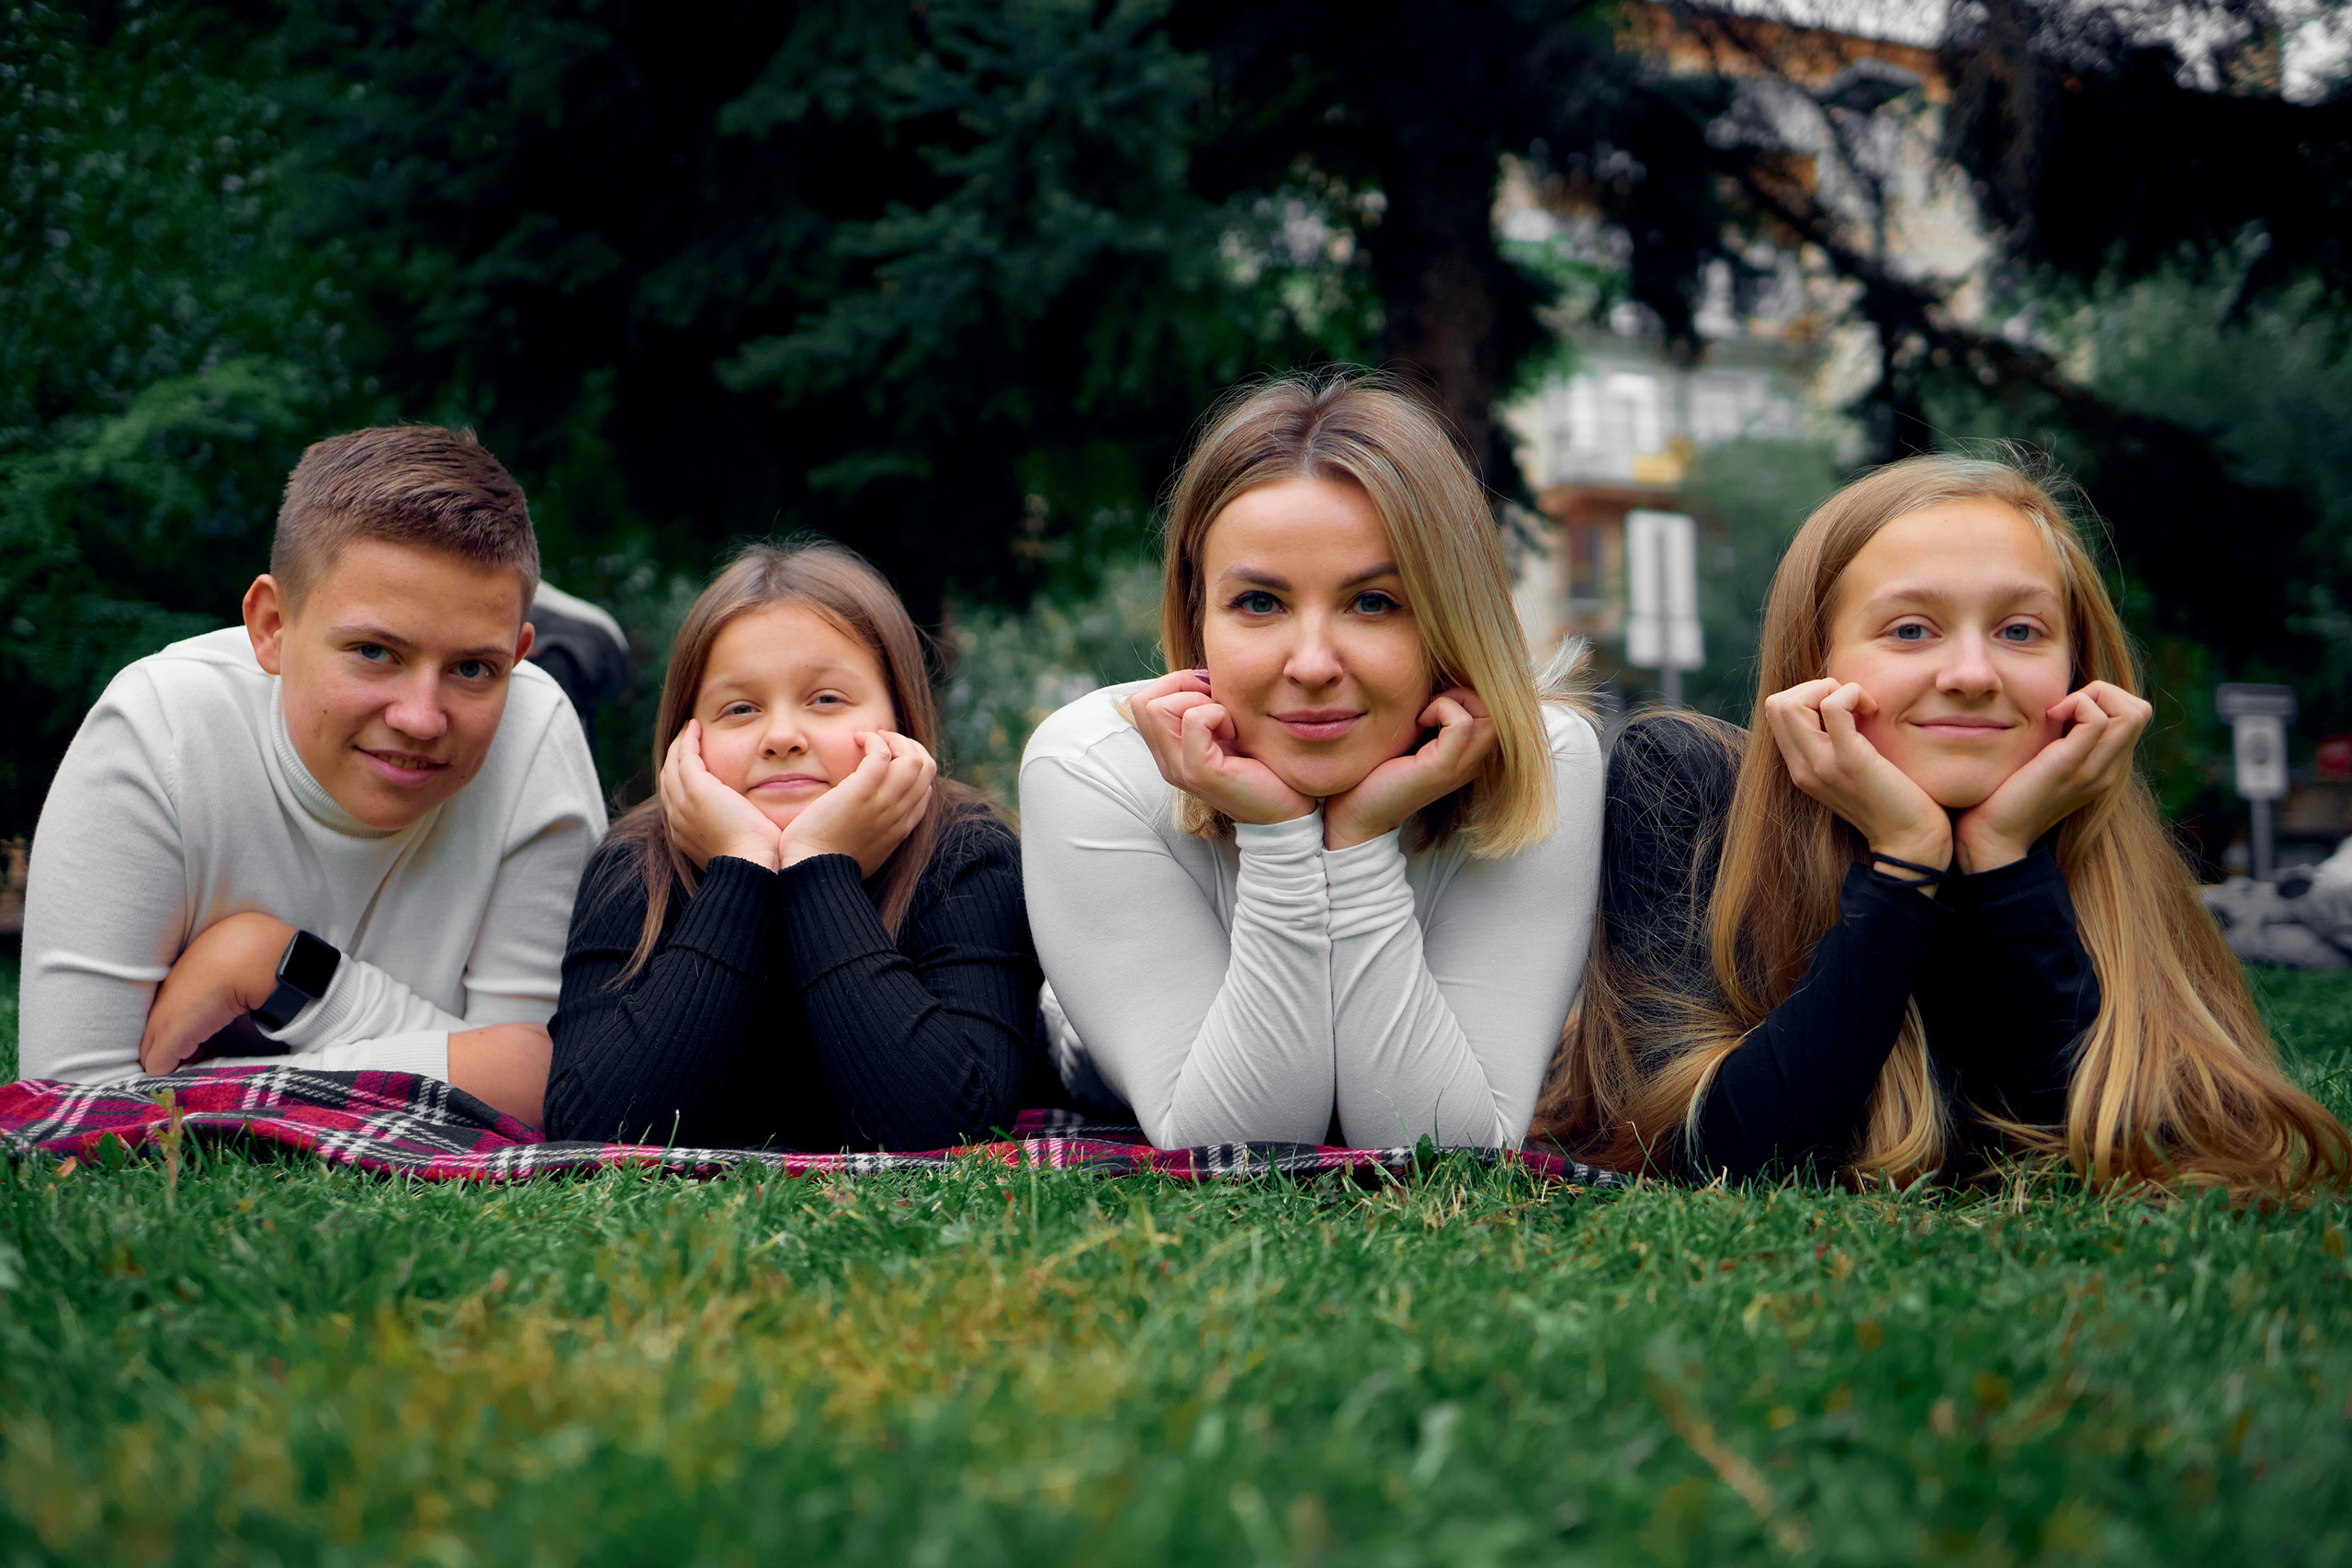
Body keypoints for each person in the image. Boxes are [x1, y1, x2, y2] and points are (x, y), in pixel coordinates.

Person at [1538, 452, 2350, 1198]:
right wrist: (1903, 862)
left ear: (2079, 672)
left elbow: (2148, 1145)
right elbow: (1730, 1153)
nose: (1971, 674)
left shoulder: (2108, 855)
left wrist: (2004, 860)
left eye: (2020, 631)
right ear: (1814, 664)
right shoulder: (1684, 783)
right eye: (1911, 630)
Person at [1020, 371, 1605, 1151]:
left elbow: (1443, 1145)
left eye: (1373, 602)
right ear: (1197, 616)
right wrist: (1279, 833)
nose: (1313, 663)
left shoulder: (1543, 757)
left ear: (1448, 611)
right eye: (1259, 602)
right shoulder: (1092, 764)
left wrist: (1358, 837)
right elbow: (1235, 1142)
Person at [20, 425, 605, 1128]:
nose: (421, 717)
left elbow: (539, 1090)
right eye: (374, 651)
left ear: (517, 655)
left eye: (473, 668)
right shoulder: (158, 732)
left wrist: (283, 971)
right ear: (271, 625)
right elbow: (72, 1111)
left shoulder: (533, 733)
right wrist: (452, 1056)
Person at [541, 541, 1038, 1151]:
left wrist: (818, 866)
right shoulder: (635, 866)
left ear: (900, 717)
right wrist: (740, 870)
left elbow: (951, 1128)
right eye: (740, 708)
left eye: (826, 699)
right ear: (684, 737)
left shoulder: (966, 855)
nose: (780, 736)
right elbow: (596, 1134)